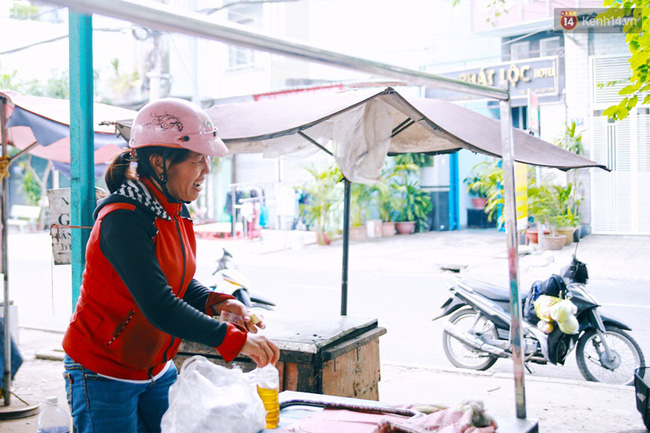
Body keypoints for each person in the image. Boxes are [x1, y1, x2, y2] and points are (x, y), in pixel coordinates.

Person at [62, 98, 280, 433]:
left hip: (157, 368)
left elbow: (176, 281)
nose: (207, 170)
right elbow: (159, 304)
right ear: (159, 162)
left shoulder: (175, 210)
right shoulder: (123, 219)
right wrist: (234, 341)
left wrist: (216, 300)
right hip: (103, 370)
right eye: (197, 160)